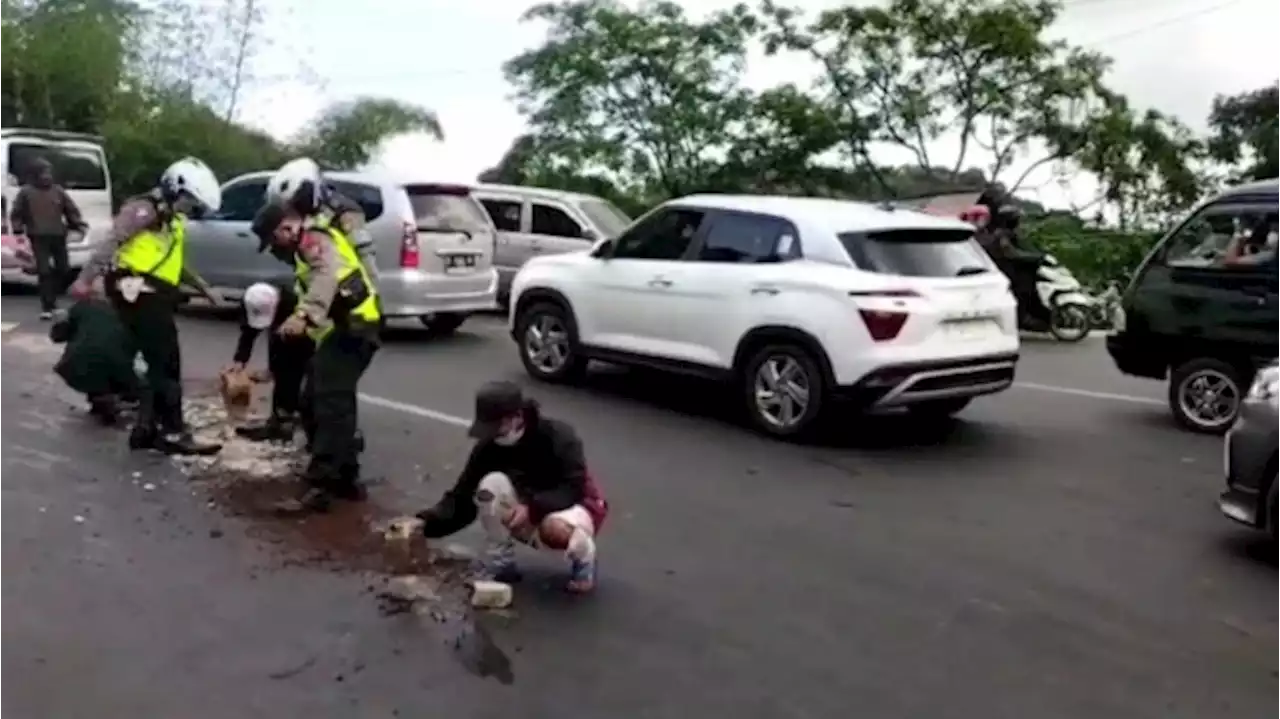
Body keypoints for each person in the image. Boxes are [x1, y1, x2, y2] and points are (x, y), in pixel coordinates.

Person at [68, 157, 225, 456]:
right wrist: (85, 278)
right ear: (174, 189)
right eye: (189, 201)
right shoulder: (143, 210)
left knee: (157, 362)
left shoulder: (171, 220)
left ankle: (147, 430)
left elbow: (174, 265)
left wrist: (204, 287)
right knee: (167, 362)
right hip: (137, 290)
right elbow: (112, 241)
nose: (190, 209)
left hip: (153, 292)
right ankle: (173, 432)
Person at [254, 170, 381, 513]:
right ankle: (344, 478)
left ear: (285, 227)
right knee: (319, 402)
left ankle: (320, 485)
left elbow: (327, 276)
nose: (275, 249)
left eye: (274, 240)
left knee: (328, 404)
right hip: (344, 329)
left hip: (355, 328)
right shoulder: (303, 248)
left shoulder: (312, 238)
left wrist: (304, 316)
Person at [415, 381, 609, 594]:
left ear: (517, 417)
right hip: (530, 505)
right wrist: (423, 524)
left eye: (496, 428)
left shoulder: (559, 436)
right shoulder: (489, 448)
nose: (492, 436)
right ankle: (502, 564)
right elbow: (462, 498)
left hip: (577, 506)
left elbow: (573, 488)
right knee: (490, 485)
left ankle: (583, 557)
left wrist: (532, 507)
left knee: (553, 528)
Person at [264, 157, 378, 285]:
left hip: (347, 291)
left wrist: (373, 291)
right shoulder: (308, 215)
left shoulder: (345, 212)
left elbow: (366, 259)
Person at [49, 282, 141, 426]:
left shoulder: (83, 306)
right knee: (126, 373)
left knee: (93, 360)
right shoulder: (133, 313)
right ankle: (110, 396)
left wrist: (60, 322)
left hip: (74, 366)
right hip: (118, 368)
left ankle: (100, 396)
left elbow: (58, 337)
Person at [9, 157, 88, 319]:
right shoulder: (26, 192)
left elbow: (70, 210)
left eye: (48, 172)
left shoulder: (57, 191)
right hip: (38, 236)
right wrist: (18, 231)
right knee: (44, 271)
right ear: (35, 175)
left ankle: (53, 295)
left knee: (63, 268)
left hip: (58, 234)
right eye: (43, 173)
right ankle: (48, 305)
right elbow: (16, 213)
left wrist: (78, 224)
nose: (47, 176)